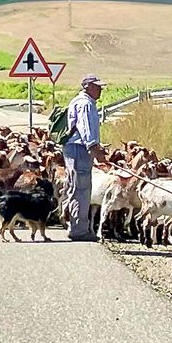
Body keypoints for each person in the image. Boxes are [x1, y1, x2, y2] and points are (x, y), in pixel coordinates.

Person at [63, 74, 109, 242]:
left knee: (74, 187)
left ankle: (73, 224)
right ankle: (79, 230)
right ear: (87, 86)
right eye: (97, 86)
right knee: (81, 189)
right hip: (80, 149)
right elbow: (86, 128)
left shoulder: (81, 102)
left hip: (74, 148)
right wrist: (94, 148)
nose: (100, 90)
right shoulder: (85, 104)